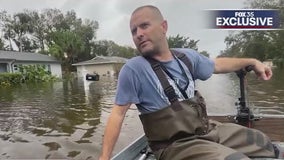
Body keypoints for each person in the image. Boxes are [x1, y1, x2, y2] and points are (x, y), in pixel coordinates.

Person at [99, 5, 277, 160]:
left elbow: (217, 64)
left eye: (144, 26)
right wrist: (104, 157)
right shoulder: (133, 70)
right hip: (174, 145)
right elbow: (117, 115)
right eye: (133, 31)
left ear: (163, 27)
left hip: (206, 130)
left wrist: (252, 61)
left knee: (265, 144)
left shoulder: (186, 56)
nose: (139, 34)